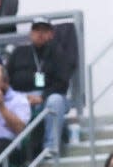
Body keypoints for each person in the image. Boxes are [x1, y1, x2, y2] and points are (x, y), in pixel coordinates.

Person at [7, 18, 73, 155]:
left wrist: (42, 97)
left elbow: (62, 83)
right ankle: (14, 151)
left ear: (51, 34)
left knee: (55, 100)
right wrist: (20, 97)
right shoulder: (19, 52)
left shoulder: (58, 54)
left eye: (44, 30)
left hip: (48, 98)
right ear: (31, 33)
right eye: (37, 30)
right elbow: (6, 79)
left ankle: (50, 148)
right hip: (21, 97)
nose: (40, 34)